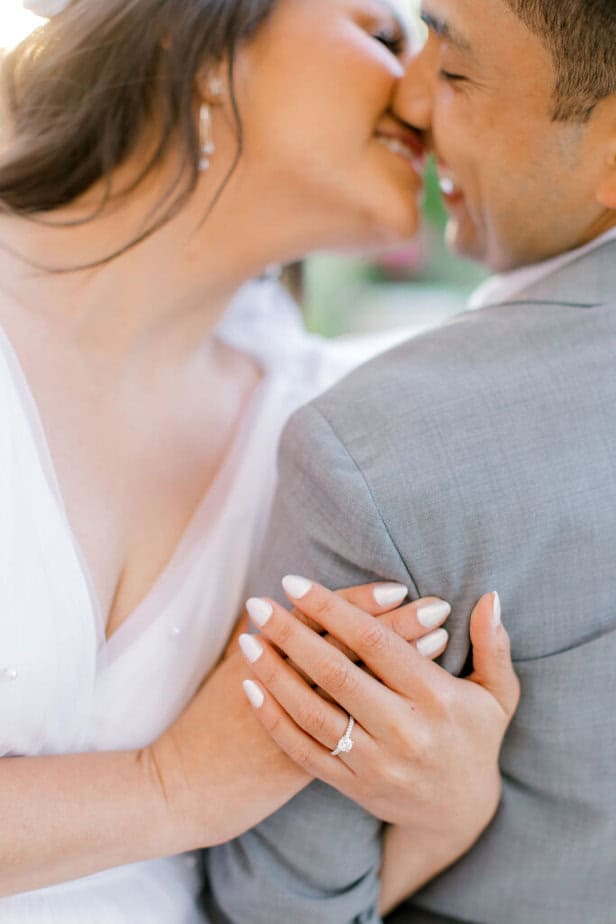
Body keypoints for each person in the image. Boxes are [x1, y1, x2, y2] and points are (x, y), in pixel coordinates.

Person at [0, 1, 520, 920]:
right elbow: (196, 794)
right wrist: (168, 790)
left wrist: (447, 809)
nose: (422, 93)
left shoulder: (332, 435)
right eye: (381, 35)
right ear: (193, 38)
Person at [206, 0, 616, 922]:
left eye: (457, 68)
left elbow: (276, 910)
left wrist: (446, 825)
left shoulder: (375, 460)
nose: (413, 96)